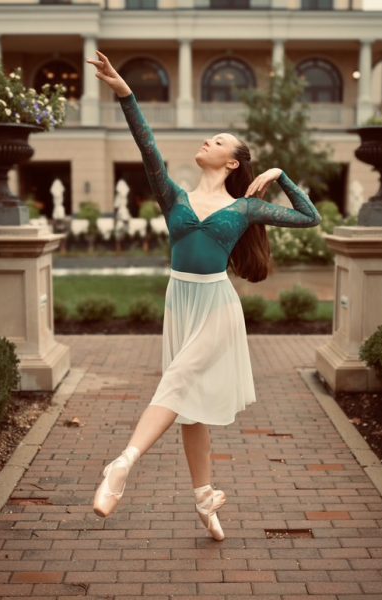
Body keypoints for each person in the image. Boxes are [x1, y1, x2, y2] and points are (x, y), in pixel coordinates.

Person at [86, 50, 322, 541]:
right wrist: (125, 92)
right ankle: (204, 498)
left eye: (216, 141)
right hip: (181, 302)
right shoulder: (172, 194)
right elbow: (146, 145)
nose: (205, 141)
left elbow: (309, 217)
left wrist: (280, 175)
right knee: (187, 407)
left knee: (176, 384)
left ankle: (122, 464)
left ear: (231, 160)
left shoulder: (246, 207)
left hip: (216, 306)